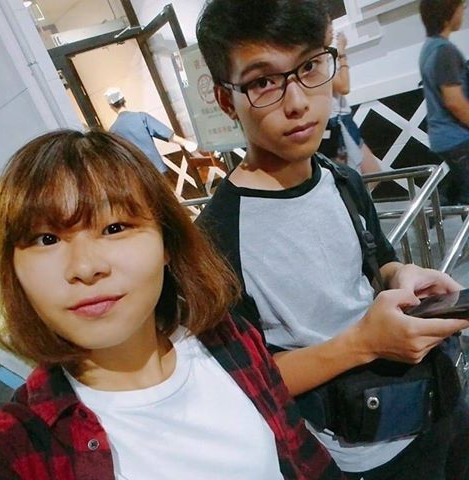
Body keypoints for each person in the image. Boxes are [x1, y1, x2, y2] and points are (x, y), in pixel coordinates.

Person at [195, 0, 469, 478]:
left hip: (434, 400)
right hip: (360, 452)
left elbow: (378, 263)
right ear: (225, 98)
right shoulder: (216, 237)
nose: (297, 102)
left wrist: (403, 275)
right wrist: (365, 344)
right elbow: (247, 382)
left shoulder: (341, 179)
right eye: (263, 82)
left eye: (309, 67)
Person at [0, 129, 344, 480]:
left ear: (167, 243)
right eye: (46, 239)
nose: (85, 267)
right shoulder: (20, 446)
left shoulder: (226, 338)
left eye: (114, 228)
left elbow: (305, 459)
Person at [419, 0, 469, 206]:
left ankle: (440, 204)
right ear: (447, 14)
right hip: (457, 137)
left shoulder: (428, 48)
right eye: (460, 7)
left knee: (458, 191)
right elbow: (454, 101)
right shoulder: (445, 51)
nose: (463, 12)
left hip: (443, 137)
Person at [319, 20, 382, 178]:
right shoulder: (319, 60)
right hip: (336, 122)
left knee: (370, 173)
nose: (332, 29)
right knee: (356, 176)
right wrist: (342, 53)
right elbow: (344, 87)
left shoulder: (326, 56)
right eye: (328, 25)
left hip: (342, 120)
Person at [105, 87, 197, 174]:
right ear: (124, 100)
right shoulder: (141, 117)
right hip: (156, 168)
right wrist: (185, 143)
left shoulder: (113, 131)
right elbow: (166, 134)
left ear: (111, 107)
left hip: (137, 174)